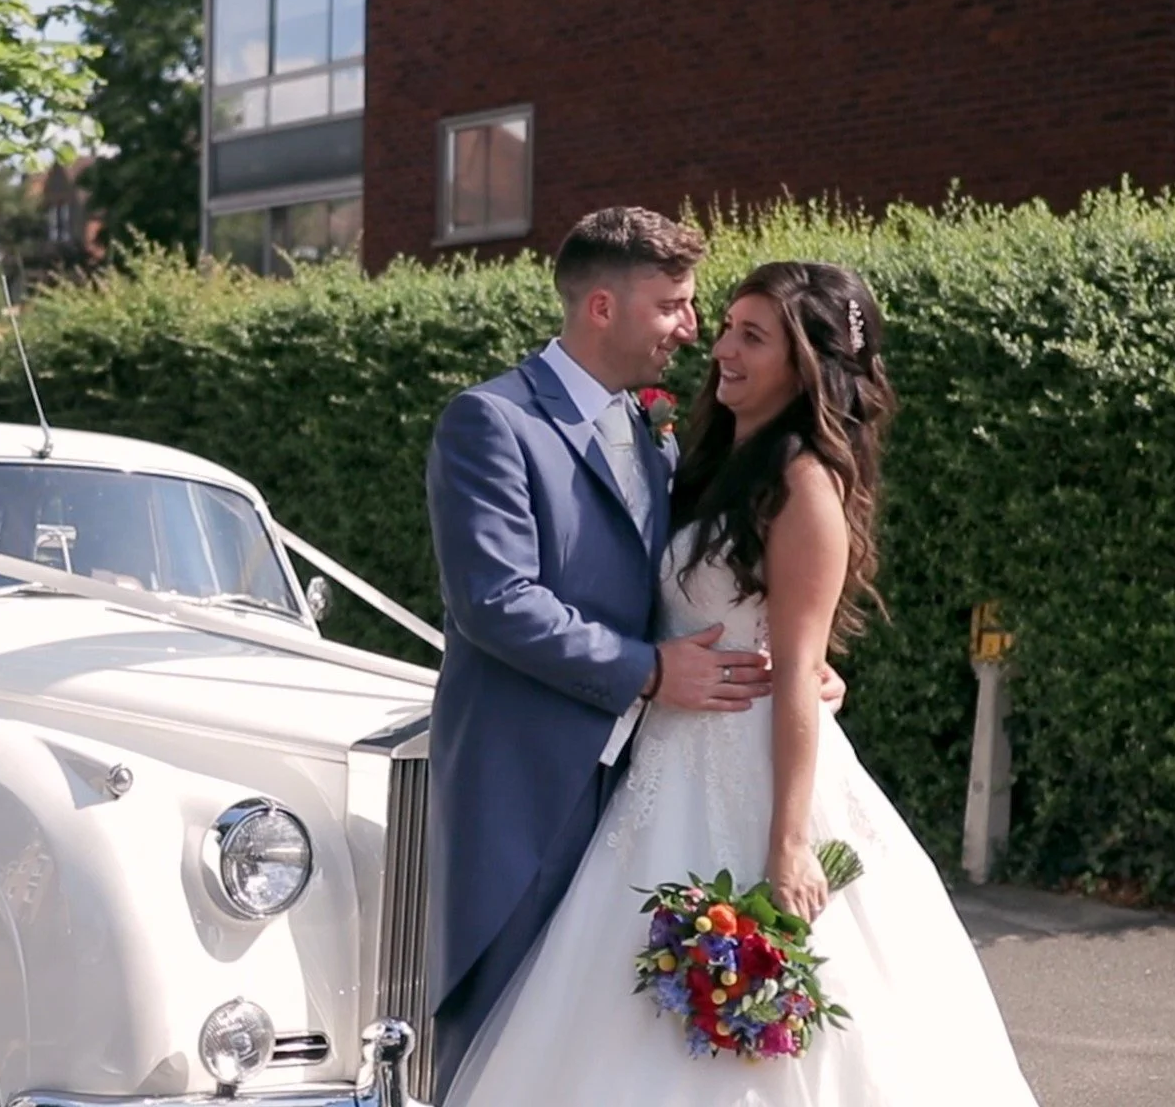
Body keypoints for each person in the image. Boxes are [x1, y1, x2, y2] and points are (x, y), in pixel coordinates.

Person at [436, 260, 1041, 1105]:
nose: (718, 347)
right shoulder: (705, 460)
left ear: (804, 366)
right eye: (723, 326)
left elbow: (794, 668)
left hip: (760, 781)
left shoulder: (801, 482)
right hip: (664, 765)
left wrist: (787, 846)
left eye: (751, 336)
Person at [420, 208, 846, 1101]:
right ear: (603, 308)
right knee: (504, 1029)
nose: (693, 331)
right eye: (676, 306)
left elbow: (700, 584)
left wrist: (789, 664)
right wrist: (652, 671)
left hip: (657, 783)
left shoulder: (659, 434)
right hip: (529, 780)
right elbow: (495, 602)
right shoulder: (490, 421)